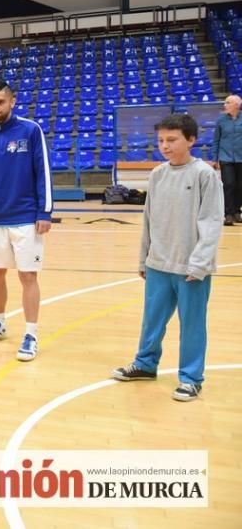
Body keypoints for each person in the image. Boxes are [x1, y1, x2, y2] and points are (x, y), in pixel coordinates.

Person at [112, 114, 223, 402]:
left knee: (192, 324)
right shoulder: (157, 175)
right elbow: (149, 220)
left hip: (190, 267)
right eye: (161, 140)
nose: (165, 145)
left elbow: (211, 222)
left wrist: (199, 264)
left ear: (191, 140)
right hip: (158, 263)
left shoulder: (205, 175)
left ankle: (191, 378)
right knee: (152, 320)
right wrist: (143, 259)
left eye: (172, 140)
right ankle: (146, 364)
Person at [0, 80, 52, 362]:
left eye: (0, 102)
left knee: (27, 275)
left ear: (12, 101)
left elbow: (43, 172)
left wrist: (45, 212)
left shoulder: (30, 130)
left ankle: (31, 333)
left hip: (27, 217)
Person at [212, 94, 242, 226]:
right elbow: (216, 140)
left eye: (228, 102)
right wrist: (214, 158)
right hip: (226, 157)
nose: (225, 105)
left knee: (240, 186)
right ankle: (228, 214)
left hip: (241, 158)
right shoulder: (221, 120)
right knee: (229, 185)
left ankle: (237, 212)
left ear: (237, 105)